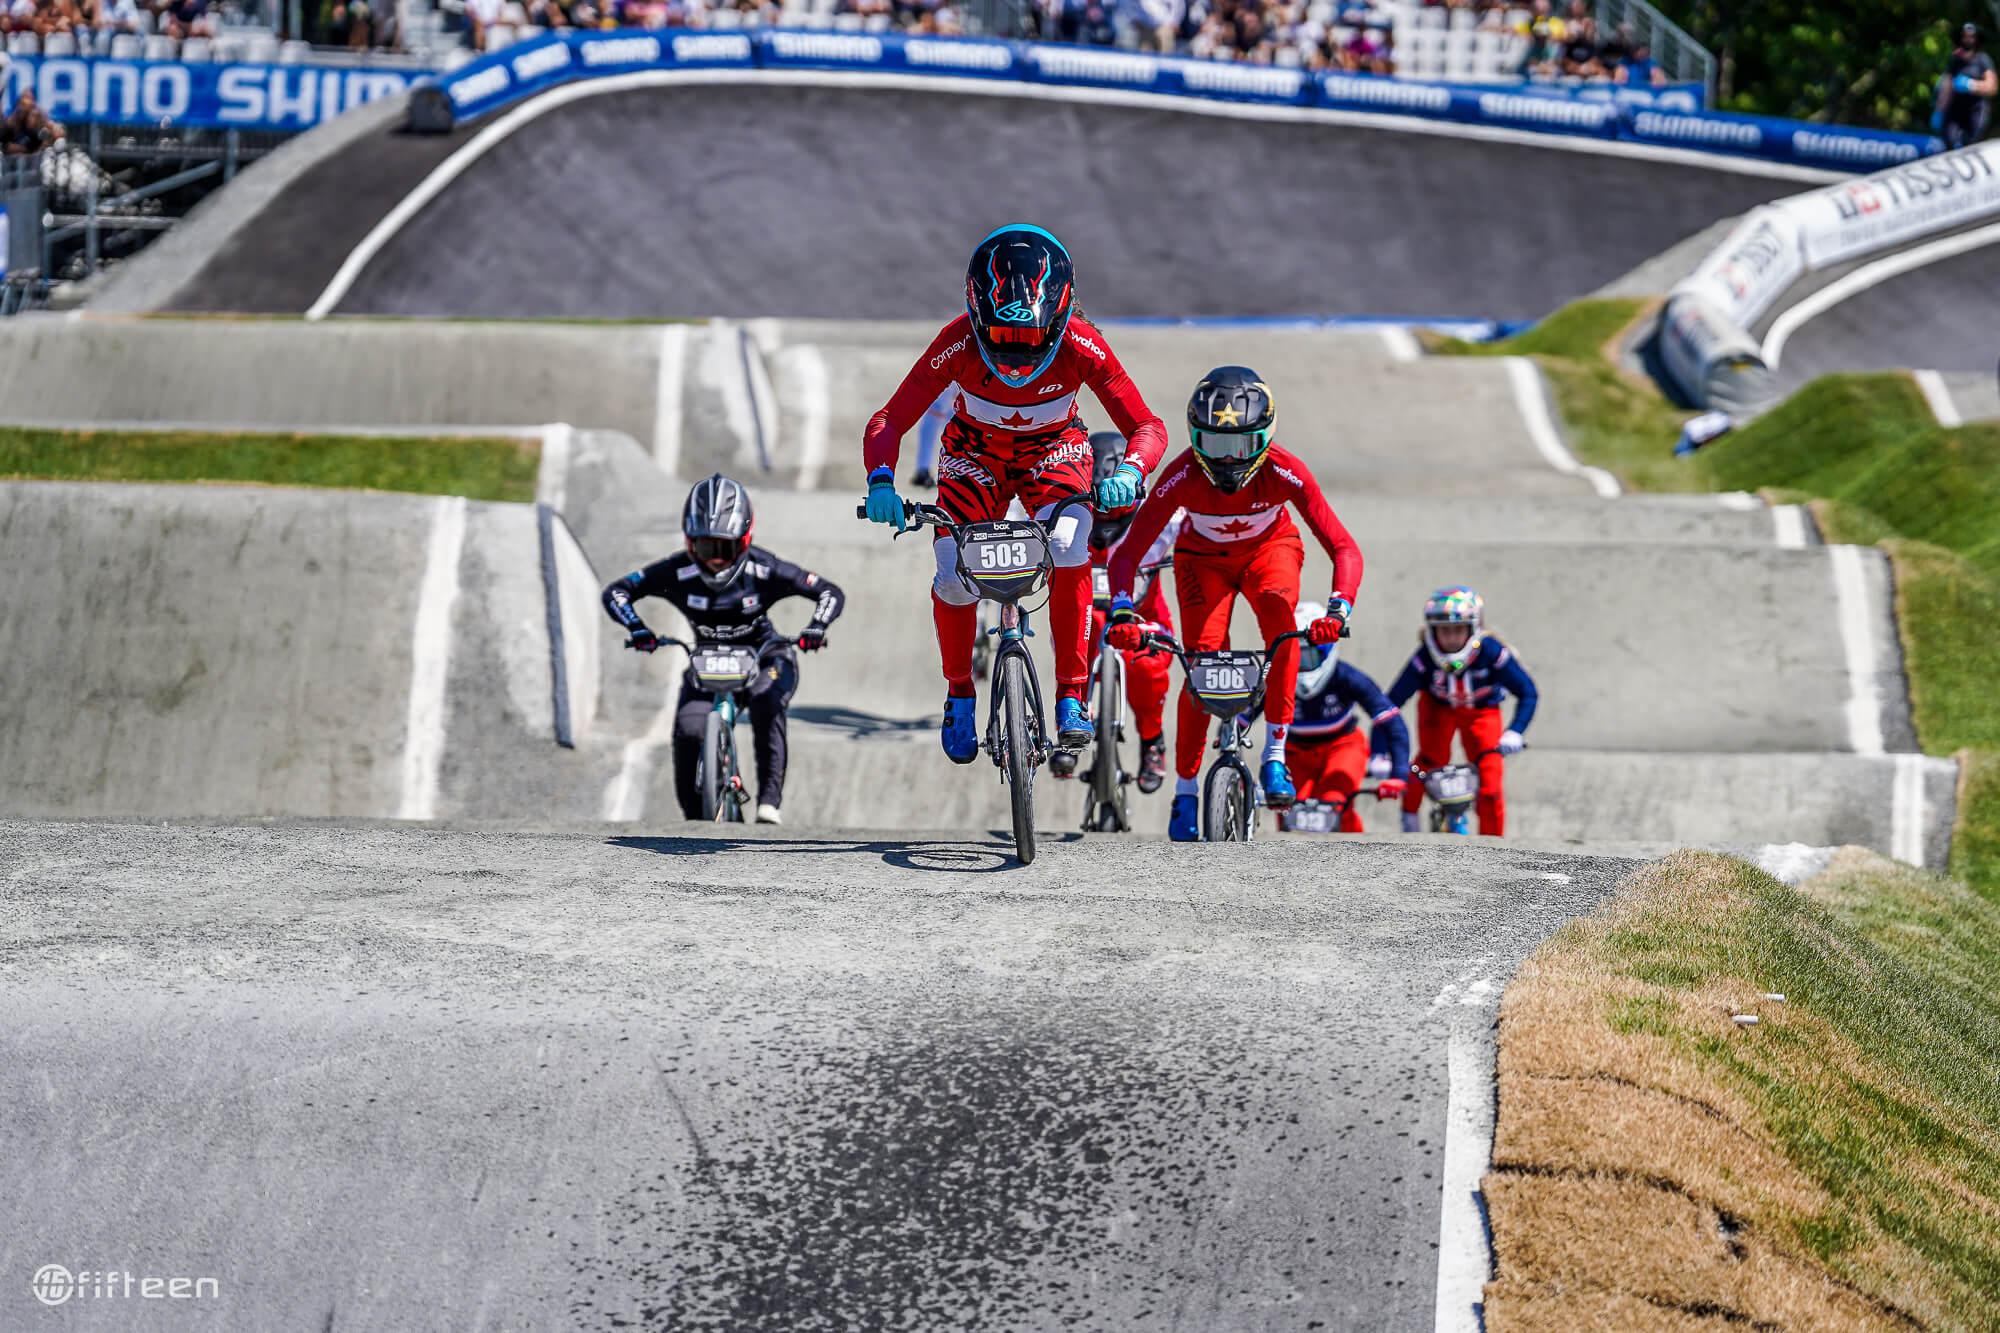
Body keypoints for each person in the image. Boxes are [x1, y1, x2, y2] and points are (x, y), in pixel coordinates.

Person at [861, 224, 1169, 765]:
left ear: (1061, 314)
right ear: (978, 313)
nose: (1017, 356)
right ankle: (960, 694)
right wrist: (881, 480)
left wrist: (1133, 471)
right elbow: (889, 419)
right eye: (1001, 339)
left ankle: (1071, 696)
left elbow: (1147, 426)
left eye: (1030, 337)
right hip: (973, 455)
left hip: (1052, 452)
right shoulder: (956, 342)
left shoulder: (1083, 344)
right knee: (953, 574)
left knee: (1073, 546)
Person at [1105, 366, 1364, 842]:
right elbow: (1127, 555)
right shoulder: (1181, 474)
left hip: (1271, 551)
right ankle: (1185, 790)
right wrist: (1122, 609)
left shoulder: (1286, 470)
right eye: (1214, 445)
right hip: (1201, 559)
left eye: (1239, 447)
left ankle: (1275, 756)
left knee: (1282, 627)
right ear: (1194, 436)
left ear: (1265, 437)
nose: (1227, 461)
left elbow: (1343, 547)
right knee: (1201, 660)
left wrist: (1337, 610)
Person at [602, 473, 844, 825]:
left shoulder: (765, 568)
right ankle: (695, 823)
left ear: (745, 540)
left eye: (724, 548)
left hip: (766, 656)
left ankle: (768, 804)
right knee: (687, 731)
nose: (715, 560)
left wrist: (816, 628)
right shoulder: (677, 570)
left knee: (766, 701)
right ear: (689, 543)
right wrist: (638, 629)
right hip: (706, 664)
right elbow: (617, 592)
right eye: (705, 548)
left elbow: (828, 591)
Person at [1054, 429, 1179, 791]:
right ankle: (1072, 716)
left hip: (1145, 621)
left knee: (1148, 670)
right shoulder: (1068, 517)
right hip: (1085, 619)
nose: (1105, 524)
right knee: (1081, 631)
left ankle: (1153, 738)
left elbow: (1198, 532)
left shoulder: (1163, 519)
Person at [1385, 586, 1536, 837]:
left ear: (1474, 626)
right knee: (1426, 765)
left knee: (1490, 780)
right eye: (1444, 630)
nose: (1452, 638)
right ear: (1432, 630)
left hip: (1482, 712)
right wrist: (1383, 754)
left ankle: (1494, 847)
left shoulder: (1493, 653)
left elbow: (1528, 691)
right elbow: (1389, 706)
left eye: (1458, 629)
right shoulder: (1424, 658)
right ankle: (1408, 827)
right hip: (1437, 710)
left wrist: (1515, 731)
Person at [1283, 603, 1409, 832]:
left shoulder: (1347, 677)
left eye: (1309, 656)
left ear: (1326, 650)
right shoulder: (1278, 677)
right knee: (1288, 809)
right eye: (1296, 657)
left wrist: (1399, 774)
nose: (1302, 666)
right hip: (1295, 752)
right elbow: (1244, 716)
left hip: (1342, 746)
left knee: (1335, 802)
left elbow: (1392, 721)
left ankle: (1358, 861)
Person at [1935, 23, 1996, 149]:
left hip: (1976, 109)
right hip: (1956, 109)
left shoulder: (1983, 60)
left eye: (1971, 37)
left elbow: (1992, 86)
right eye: (1965, 37)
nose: (1967, 40)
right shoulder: (1955, 60)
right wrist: (1939, 110)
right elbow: (1946, 86)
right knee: (1949, 140)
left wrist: (1972, 85)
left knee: (1972, 143)